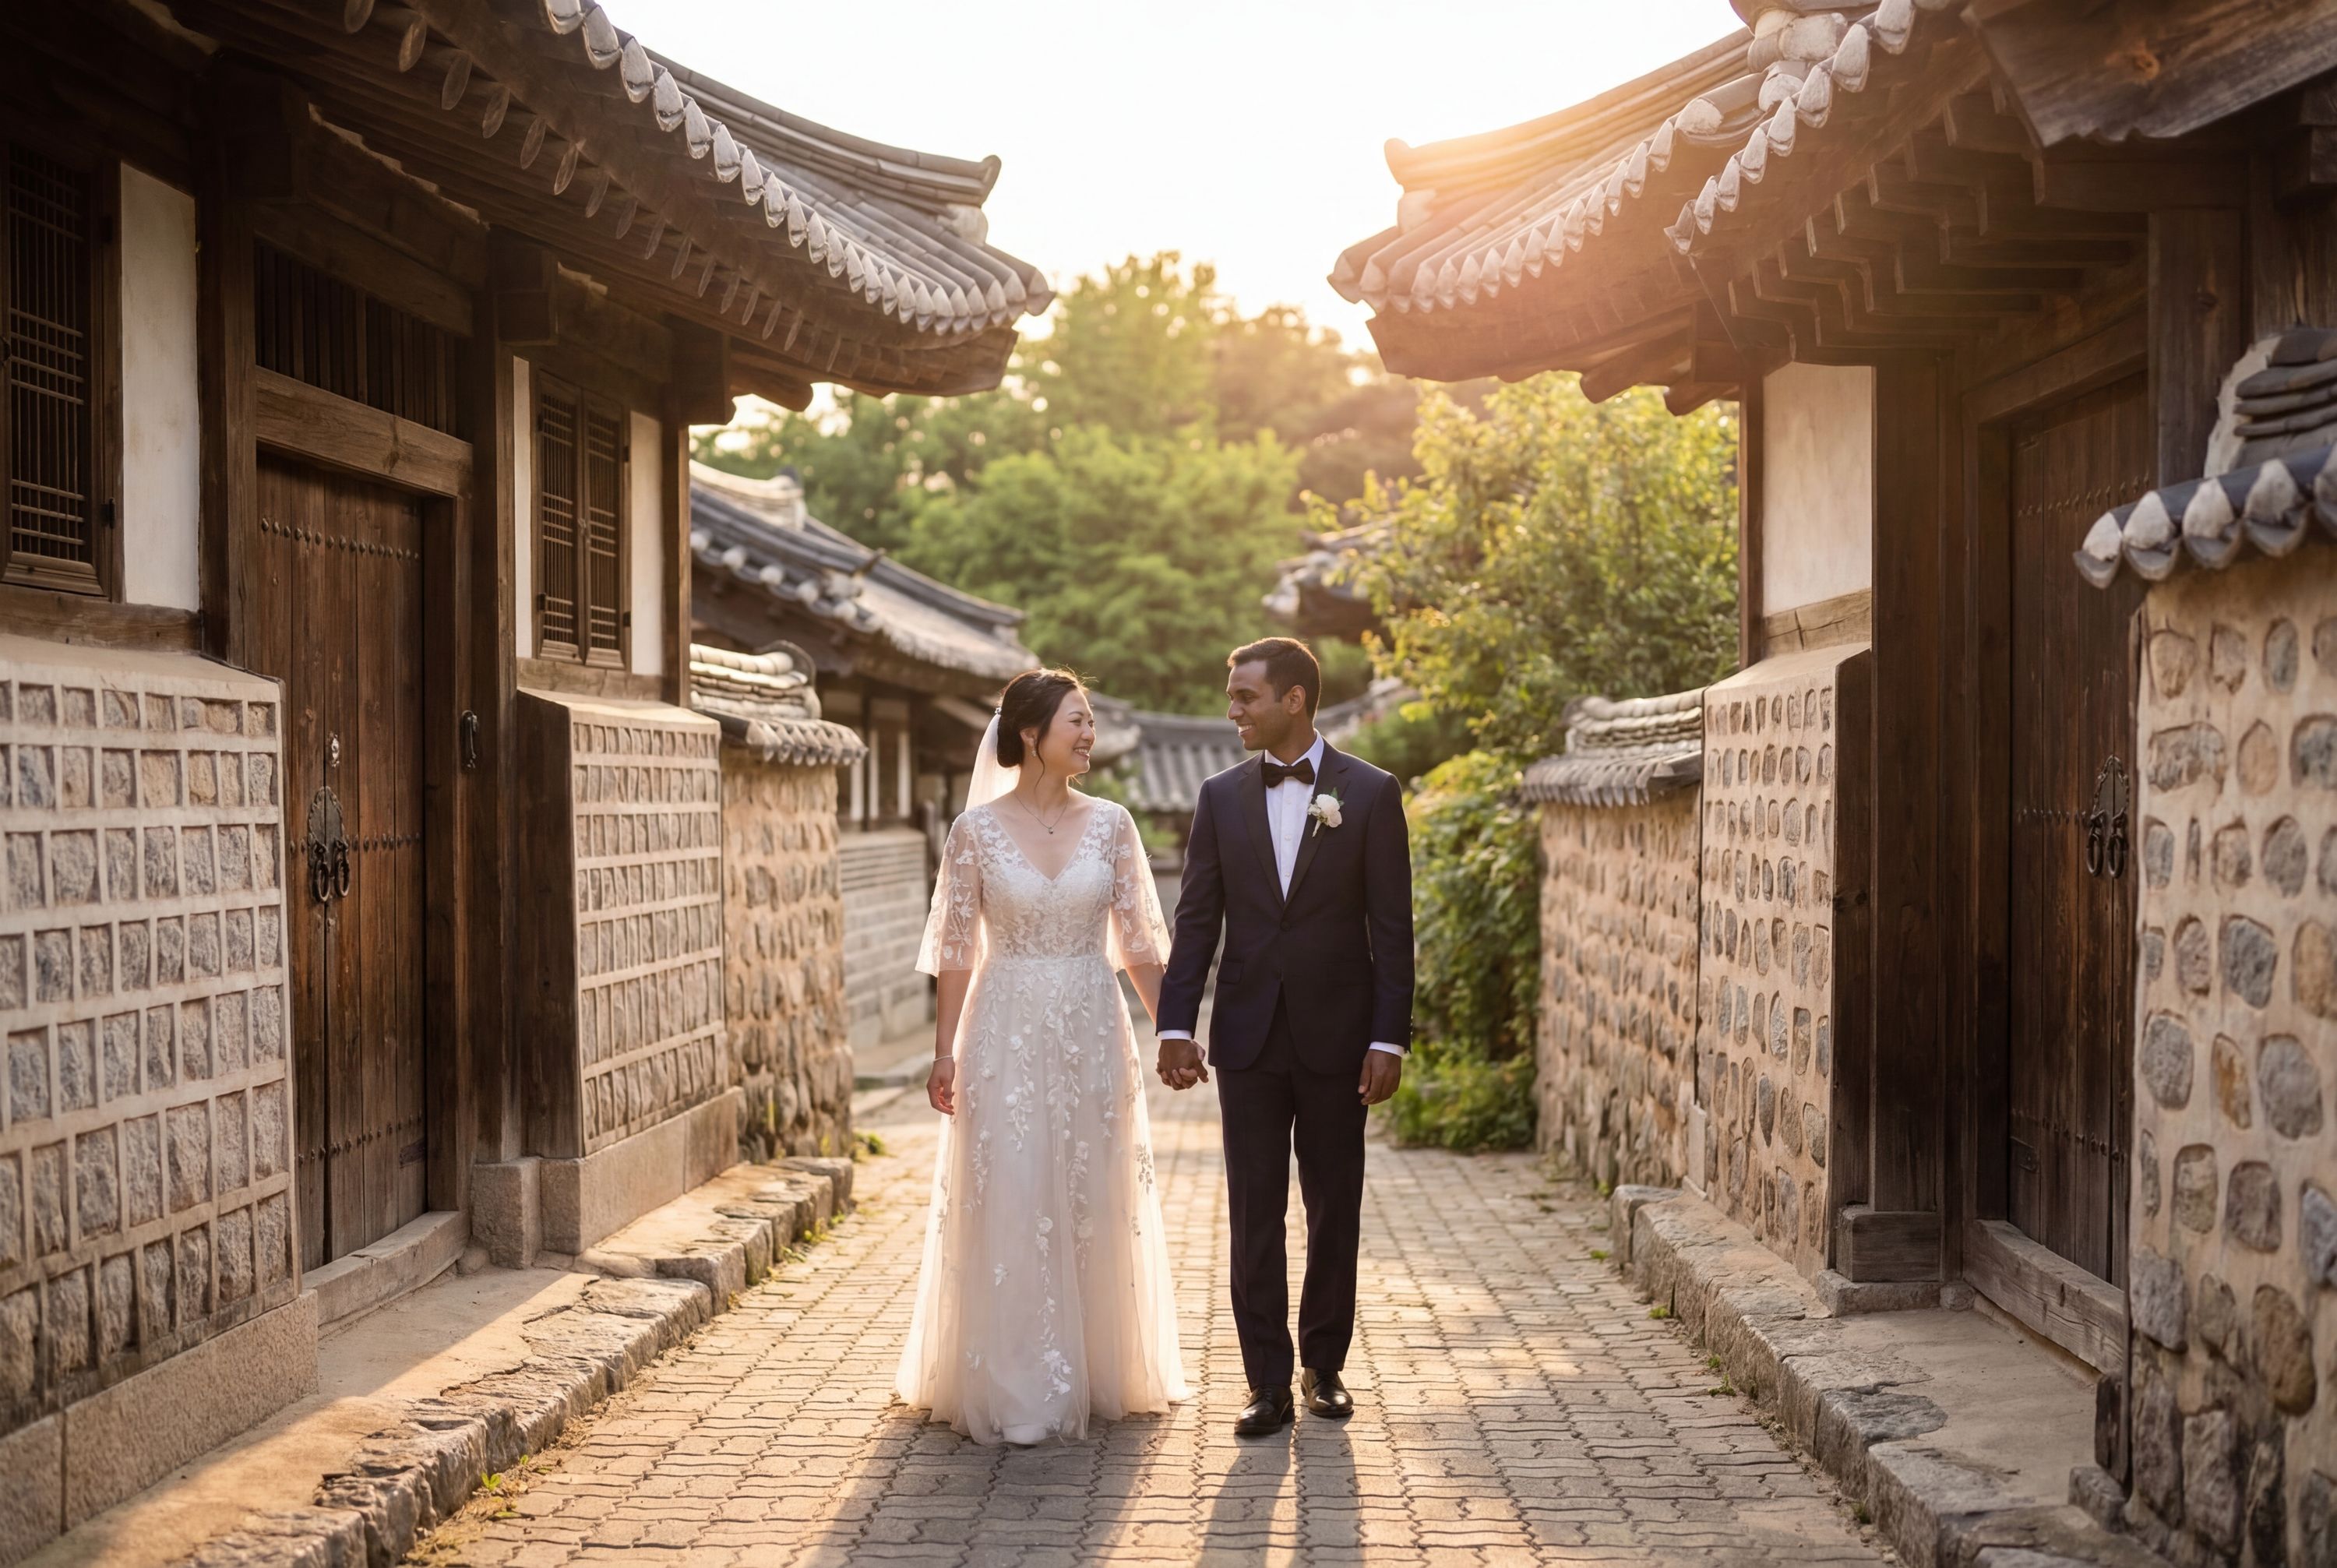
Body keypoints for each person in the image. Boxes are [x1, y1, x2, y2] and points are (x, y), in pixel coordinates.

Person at [895, 668, 1188, 1445]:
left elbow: (1140, 945)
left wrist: (1176, 1031)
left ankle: (1099, 1366)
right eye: (1077, 721)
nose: (1090, 734)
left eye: (1090, 720)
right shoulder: (975, 832)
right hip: (1005, 1026)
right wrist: (944, 1053)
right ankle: (1016, 1376)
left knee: (1094, 1189)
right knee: (1016, 1187)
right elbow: (957, 949)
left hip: (1093, 1022)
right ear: (1031, 734)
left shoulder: (1114, 825)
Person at [1156, 636, 1415, 1436]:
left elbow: (1392, 929)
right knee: (1253, 1210)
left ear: (1293, 699)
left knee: (1334, 1206)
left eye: (1247, 696)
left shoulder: (1370, 792)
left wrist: (1389, 1038)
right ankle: (1266, 1380)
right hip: (1248, 1038)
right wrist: (1176, 1024)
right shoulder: (1219, 796)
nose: (1233, 709)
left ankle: (1323, 1368)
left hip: (1341, 1037)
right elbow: (1196, 920)